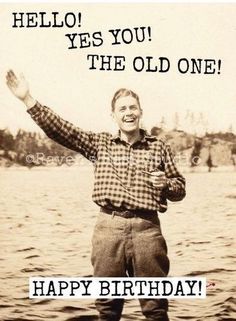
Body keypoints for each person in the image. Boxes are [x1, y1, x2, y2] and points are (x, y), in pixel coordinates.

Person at [6, 70, 186, 321]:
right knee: (107, 306)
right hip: (108, 229)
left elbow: (180, 188)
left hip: (148, 230)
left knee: (155, 306)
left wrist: (166, 184)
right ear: (113, 115)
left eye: (133, 107)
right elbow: (62, 130)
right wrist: (27, 99)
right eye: (122, 109)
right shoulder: (99, 144)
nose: (129, 113)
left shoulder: (159, 147)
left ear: (141, 112)